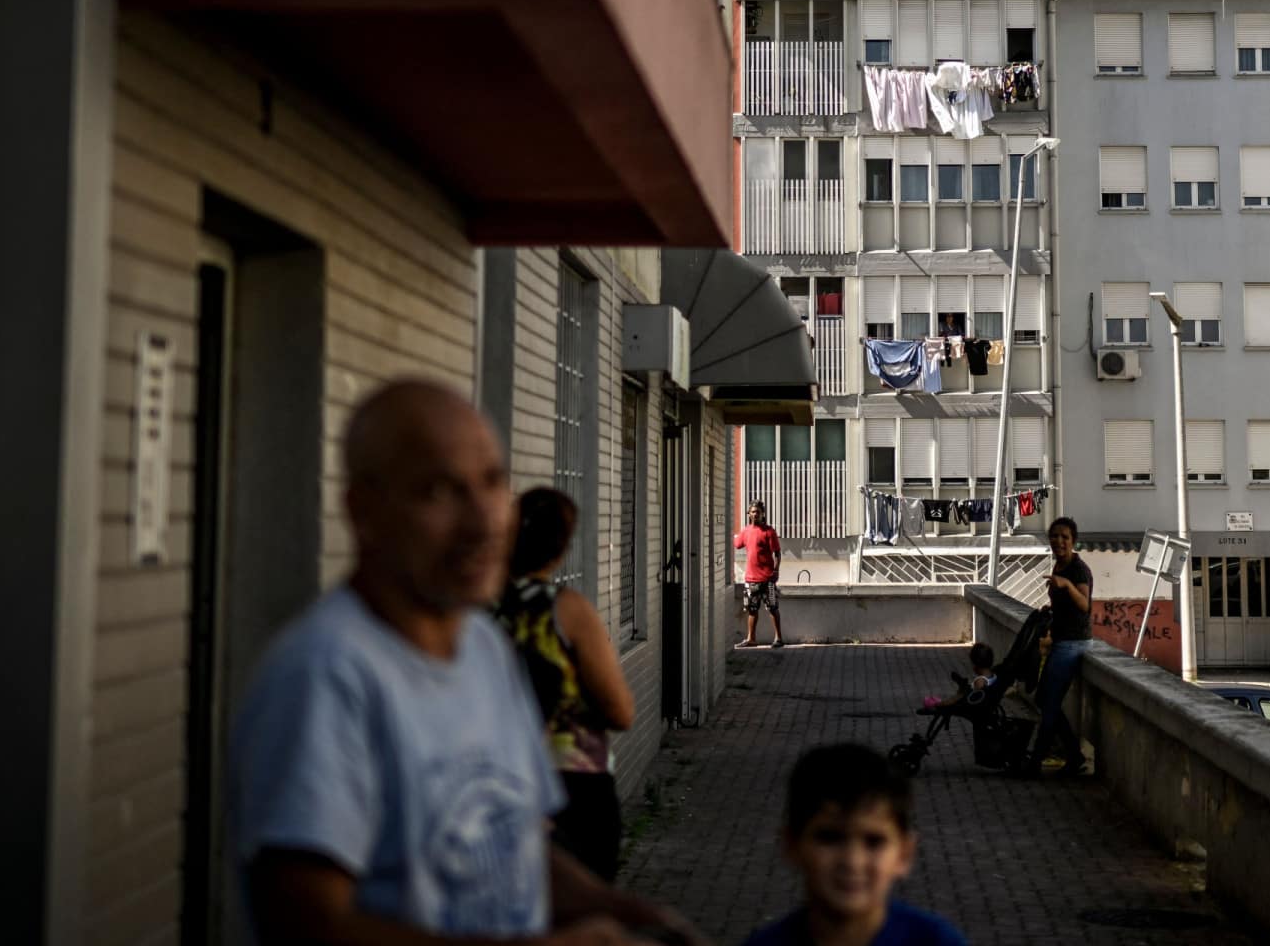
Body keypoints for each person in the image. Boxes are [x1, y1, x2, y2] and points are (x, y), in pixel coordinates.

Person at [226, 379, 699, 946]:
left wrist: (620, 910)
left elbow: (517, 849)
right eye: (439, 491)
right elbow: (305, 924)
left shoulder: (484, 648)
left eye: (494, 483)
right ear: (363, 511)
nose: (483, 522)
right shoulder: (324, 676)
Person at [496, 487, 638, 883]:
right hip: (571, 786)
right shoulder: (567, 610)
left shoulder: (476, 608)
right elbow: (620, 711)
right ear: (561, 548)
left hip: (492, 782)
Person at [742, 744, 967, 946]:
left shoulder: (935, 941)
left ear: (904, 854)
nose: (852, 861)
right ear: (792, 845)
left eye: (874, 841)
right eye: (829, 838)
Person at [1018, 517, 1093, 778]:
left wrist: (1067, 586)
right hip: (1060, 641)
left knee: (1049, 702)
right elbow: (1065, 605)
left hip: (1073, 644)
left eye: (1065, 537)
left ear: (1073, 541)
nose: (1059, 541)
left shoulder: (1077, 570)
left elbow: (1085, 605)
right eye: (1055, 536)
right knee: (1043, 699)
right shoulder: (1059, 566)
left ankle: (1037, 761)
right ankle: (1074, 756)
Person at [734, 501, 784, 648]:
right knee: (752, 610)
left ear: (763, 514)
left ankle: (779, 639)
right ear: (749, 514)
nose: (755, 514)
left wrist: (776, 570)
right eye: (753, 512)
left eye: (758, 512)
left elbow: (777, 553)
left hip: (767, 578)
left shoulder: (769, 531)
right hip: (751, 579)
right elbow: (737, 544)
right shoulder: (746, 531)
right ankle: (751, 639)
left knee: (773, 608)